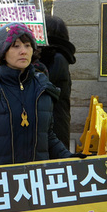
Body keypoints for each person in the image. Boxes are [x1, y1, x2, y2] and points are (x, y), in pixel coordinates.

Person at [0, 23, 73, 167]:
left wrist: (69, 157)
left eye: (27, 45)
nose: (23, 51)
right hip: (1, 179)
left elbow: (48, 136)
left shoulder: (43, 87)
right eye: (16, 46)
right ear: (3, 51)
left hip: (37, 179)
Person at [37, 16, 76, 149]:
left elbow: (44, 85)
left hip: (55, 121)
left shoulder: (57, 58)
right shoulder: (55, 55)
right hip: (53, 118)